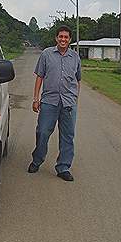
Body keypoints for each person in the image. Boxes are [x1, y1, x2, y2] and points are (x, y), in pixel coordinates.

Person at [28, 25, 81, 181]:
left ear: (70, 40)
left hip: (68, 103)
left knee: (67, 136)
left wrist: (75, 98)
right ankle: (37, 160)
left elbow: (78, 79)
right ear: (56, 38)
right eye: (60, 37)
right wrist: (36, 99)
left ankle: (63, 167)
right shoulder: (46, 54)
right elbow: (39, 76)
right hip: (49, 102)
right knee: (42, 132)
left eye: (66, 37)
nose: (63, 39)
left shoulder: (75, 57)